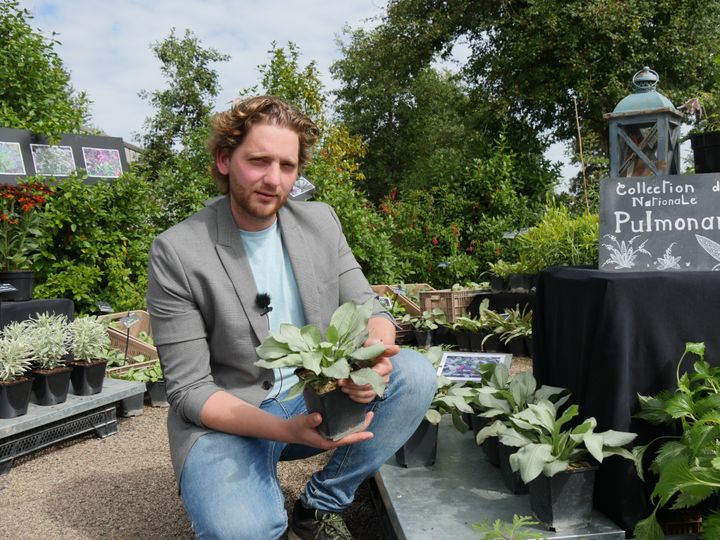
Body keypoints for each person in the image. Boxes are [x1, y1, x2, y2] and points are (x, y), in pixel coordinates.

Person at [146, 95, 437, 540]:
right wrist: (283, 429)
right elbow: (189, 391)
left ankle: (319, 505)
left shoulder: (320, 222)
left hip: (315, 396)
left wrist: (369, 362)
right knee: (242, 531)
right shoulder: (179, 251)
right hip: (232, 413)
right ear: (225, 159)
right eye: (258, 161)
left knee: (413, 376)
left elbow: (369, 307)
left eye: (287, 165)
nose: (272, 179)